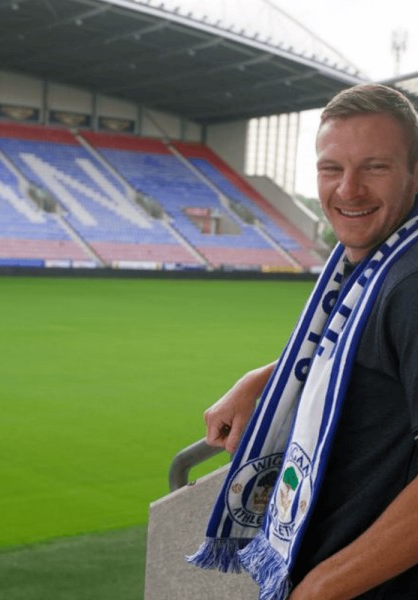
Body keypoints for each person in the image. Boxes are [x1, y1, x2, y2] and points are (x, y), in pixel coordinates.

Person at [197, 83, 418, 599]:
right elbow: (360, 353)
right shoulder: (377, 256)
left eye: (375, 167)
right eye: (331, 169)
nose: (348, 189)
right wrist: (265, 379)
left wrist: (320, 587)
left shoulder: (410, 283)